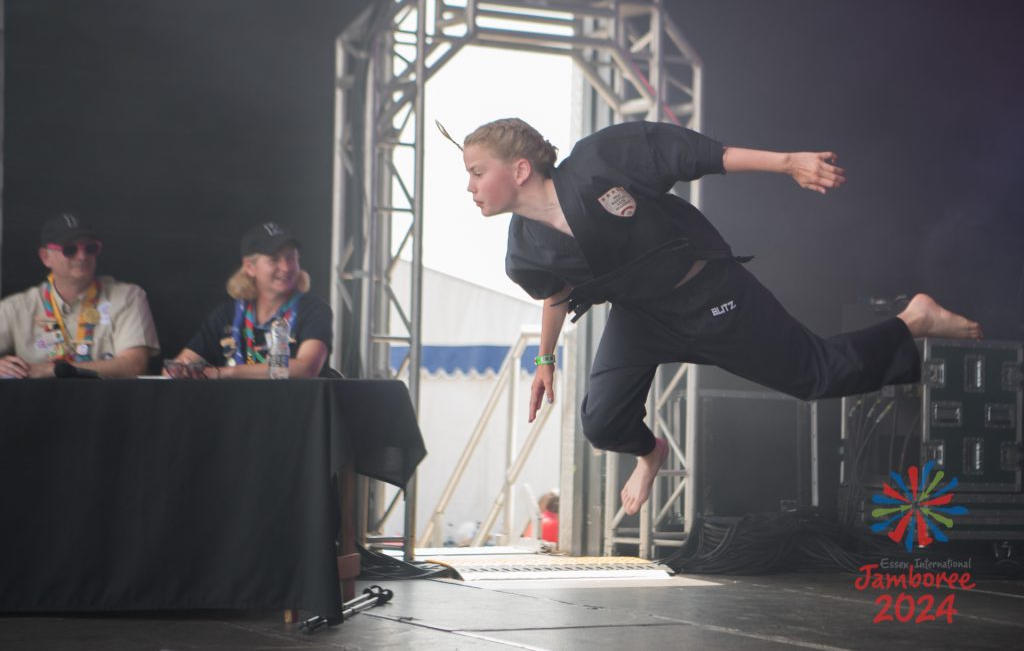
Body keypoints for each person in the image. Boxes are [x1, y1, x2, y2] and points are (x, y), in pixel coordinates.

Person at [457, 118, 982, 516]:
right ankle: (652, 453)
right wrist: (545, 358)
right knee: (601, 421)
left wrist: (789, 162)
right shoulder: (522, 251)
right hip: (642, 318)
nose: (471, 187)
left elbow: (700, 155)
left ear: (519, 169)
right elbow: (557, 292)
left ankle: (913, 320)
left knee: (816, 375)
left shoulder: (598, 161)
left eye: (477, 172)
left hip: (708, 295)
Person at [0, 212, 160, 378]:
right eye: (70, 250)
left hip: (108, 401)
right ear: (46, 257)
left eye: (90, 248)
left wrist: (48, 370)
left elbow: (133, 365)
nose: (82, 256)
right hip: (37, 402)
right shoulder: (17, 307)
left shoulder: (128, 297)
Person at [167, 222, 333, 379]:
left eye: (291, 257)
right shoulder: (227, 314)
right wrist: (180, 370)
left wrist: (224, 373)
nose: (286, 267)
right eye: (274, 259)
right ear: (249, 267)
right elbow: (176, 367)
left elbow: (306, 368)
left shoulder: (314, 309)